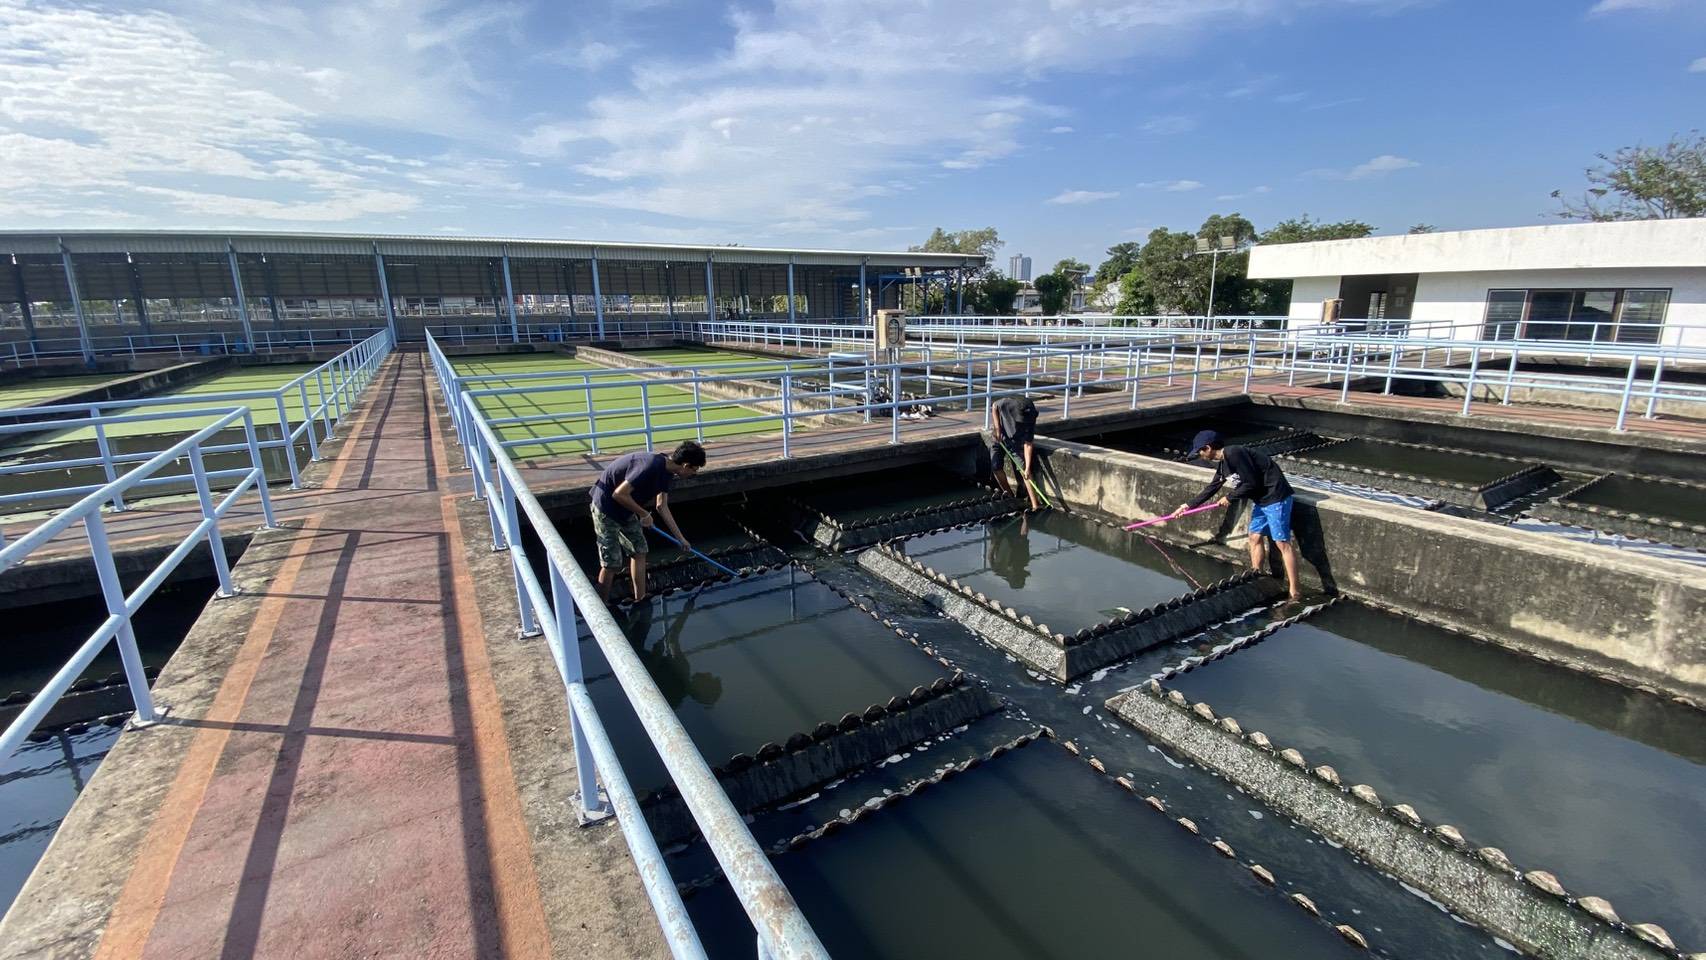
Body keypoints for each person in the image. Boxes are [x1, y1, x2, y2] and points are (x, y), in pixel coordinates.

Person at [1171, 429, 1301, 601]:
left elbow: (1251, 483)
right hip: (1262, 500)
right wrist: (1186, 506)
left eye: (1200, 451)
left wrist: (1230, 497)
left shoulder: (1234, 453)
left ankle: (1294, 591)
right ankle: (1257, 575)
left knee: (1282, 543)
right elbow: (1212, 487)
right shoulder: (1223, 464)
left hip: (1276, 497)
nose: (1200, 455)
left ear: (1208, 448)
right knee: (1254, 537)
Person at [590, 441, 706, 602]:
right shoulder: (650, 466)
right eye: (694, 470)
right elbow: (619, 494)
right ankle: (602, 606)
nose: (693, 474)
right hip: (606, 508)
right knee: (612, 563)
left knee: (639, 551)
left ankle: (640, 599)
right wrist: (644, 514)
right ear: (686, 465)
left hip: (626, 509)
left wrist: (681, 539)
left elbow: (661, 506)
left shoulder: (667, 472)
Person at [989, 393, 1041, 510]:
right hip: (999, 437)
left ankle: (1035, 504)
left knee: (1024, 470)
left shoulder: (1031, 417)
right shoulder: (1007, 403)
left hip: (1016, 442)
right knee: (996, 466)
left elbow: (1028, 444)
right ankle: (1010, 496)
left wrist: (1027, 468)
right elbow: (994, 406)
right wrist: (997, 428)